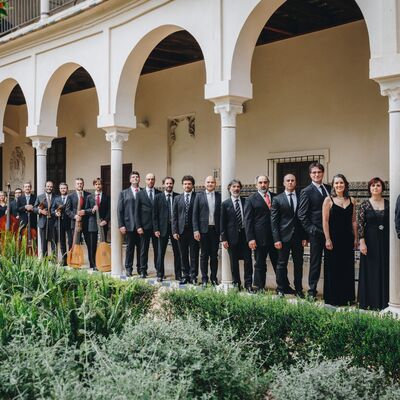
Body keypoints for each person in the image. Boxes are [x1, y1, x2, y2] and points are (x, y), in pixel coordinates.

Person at [298, 162, 331, 298]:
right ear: (310, 175)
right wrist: (311, 230)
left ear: (323, 173)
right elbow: (302, 214)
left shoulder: (329, 188)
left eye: (319, 172)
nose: (316, 175)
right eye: (314, 172)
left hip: (330, 232)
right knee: (315, 262)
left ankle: (330, 290)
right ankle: (312, 290)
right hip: (316, 233)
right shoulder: (306, 191)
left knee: (331, 262)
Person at [322, 174, 356, 306]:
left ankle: (347, 298)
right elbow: (324, 221)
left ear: (345, 184)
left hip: (347, 239)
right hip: (333, 239)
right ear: (333, 185)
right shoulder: (328, 200)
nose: (339, 185)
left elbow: (353, 221)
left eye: (341, 183)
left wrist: (356, 238)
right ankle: (334, 298)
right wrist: (327, 239)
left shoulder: (352, 200)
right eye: (336, 183)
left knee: (347, 267)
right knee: (334, 268)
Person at [271, 174, 307, 297]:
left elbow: (303, 218)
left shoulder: (301, 197)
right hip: (283, 237)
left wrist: (304, 237)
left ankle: (298, 289)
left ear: (295, 183)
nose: (290, 182)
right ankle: (280, 289)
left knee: (299, 264)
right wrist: (276, 239)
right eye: (288, 180)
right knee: (281, 264)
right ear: (284, 183)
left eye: (292, 180)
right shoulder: (277, 199)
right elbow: (274, 221)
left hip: (298, 237)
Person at [244, 175, 279, 291]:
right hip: (259, 238)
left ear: (268, 183)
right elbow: (248, 221)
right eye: (260, 182)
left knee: (278, 263)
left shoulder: (276, 197)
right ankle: (259, 287)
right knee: (259, 264)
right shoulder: (251, 199)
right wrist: (250, 238)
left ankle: (282, 286)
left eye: (265, 182)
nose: (263, 184)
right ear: (256, 185)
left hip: (275, 237)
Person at [359, 177, 389, 310]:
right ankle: (370, 302)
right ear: (369, 189)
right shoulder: (364, 204)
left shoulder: (388, 203)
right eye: (372, 186)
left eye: (377, 185)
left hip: (385, 241)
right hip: (369, 242)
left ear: (382, 188)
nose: (375, 188)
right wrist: (362, 243)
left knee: (384, 269)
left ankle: (384, 301)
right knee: (371, 271)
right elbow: (360, 225)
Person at [220, 179, 253, 292]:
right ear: (229, 189)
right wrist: (223, 239)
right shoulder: (225, 204)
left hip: (245, 236)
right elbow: (222, 223)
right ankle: (236, 284)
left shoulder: (246, 202)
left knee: (248, 261)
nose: (236, 189)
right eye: (233, 187)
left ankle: (248, 285)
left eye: (238, 186)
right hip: (231, 237)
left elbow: (250, 220)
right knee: (234, 263)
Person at [193, 176, 221, 286]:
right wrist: (196, 230)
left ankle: (213, 278)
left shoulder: (219, 196)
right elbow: (195, 215)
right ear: (205, 184)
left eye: (212, 182)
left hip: (215, 230)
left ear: (215, 184)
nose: (210, 184)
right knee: (204, 255)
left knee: (214, 255)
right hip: (203, 230)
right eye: (208, 182)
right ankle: (204, 279)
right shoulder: (199, 196)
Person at [172, 175, 199, 285]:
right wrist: (174, 231)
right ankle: (185, 275)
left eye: (189, 184)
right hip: (181, 231)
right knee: (182, 254)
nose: (187, 186)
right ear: (182, 185)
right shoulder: (177, 198)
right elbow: (174, 216)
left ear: (192, 185)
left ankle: (193, 276)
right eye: (185, 184)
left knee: (194, 254)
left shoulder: (197, 197)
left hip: (194, 231)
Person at [153, 176, 181, 282]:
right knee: (161, 252)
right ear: (164, 184)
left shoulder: (178, 197)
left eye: (171, 183)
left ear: (173, 184)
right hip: (162, 229)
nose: (169, 185)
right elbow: (154, 215)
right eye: (167, 183)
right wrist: (156, 229)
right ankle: (160, 274)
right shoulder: (158, 197)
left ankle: (178, 274)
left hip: (175, 229)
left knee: (177, 252)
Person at [135, 173, 160, 278]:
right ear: (145, 181)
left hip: (156, 228)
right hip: (144, 227)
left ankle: (159, 270)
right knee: (143, 250)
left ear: (154, 181)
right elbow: (136, 212)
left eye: (152, 179)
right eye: (148, 179)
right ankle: (143, 270)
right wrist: (138, 226)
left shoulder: (159, 193)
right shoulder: (140, 194)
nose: (150, 181)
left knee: (157, 250)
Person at [117, 171, 142, 276]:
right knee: (130, 248)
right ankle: (128, 268)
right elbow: (119, 210)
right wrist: (121, 225)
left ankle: (141, 269)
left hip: (142, 226)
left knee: (141, 249)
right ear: (130, 180)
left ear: (139, 179)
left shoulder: (143, 192)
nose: (135, 178)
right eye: (133, 177)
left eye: (137, 177)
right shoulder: (124, 193)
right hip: (129, 225)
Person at [85, 178, 110, 270]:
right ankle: (93, 264)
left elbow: (109, 210)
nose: (98, 186)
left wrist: (106, 220)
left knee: (103, 243)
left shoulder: (107, 197)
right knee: (92, 244)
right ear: (94, 185)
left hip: (103, 223)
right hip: (92, 223)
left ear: (102, 185)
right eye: (96, 184)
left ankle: (103, 261)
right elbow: (86, 209)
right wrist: (92, 210)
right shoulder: (89, 197)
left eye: (99, 184)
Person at [65, 178, 91, 266]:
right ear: (75, 185)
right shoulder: (70, 196)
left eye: (81, 183)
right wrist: (75, 216)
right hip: (75, 223)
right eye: (78, 183)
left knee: (89, 243)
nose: (79, 185)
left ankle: (92, 263)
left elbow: (91, 208)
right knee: (74, 243)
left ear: (83, 184)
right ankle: (73, 261)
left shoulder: (88, 195)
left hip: (87, 223)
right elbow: (68, 210)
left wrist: (85, 212)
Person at [34, 180, 57, 257]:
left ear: (52, 187)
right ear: (45, 187)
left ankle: (54, 259)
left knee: (54, 242)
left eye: (51, 186)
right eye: (48, 186)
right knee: (44, 242)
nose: (49, 188)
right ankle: (44, 260)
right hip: (43, 223)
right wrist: (40, 211)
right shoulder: (40, 197)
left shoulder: (56, 197)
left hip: (53, 222)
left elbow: (59, 207)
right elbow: (34, 208)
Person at [52, 182, 72, 266]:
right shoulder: (56, 199)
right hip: (59, 222)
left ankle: (71, 258)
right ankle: (65, 260)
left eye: (64, 188)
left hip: (70, 222)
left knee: (70, 241)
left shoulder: (70, 198)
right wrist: (56, 213)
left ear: (67, 189)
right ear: (59, 190)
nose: (63, 190)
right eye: (61, 188)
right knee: (62, 242)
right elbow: (52, 209)